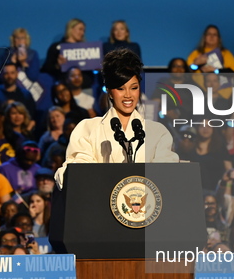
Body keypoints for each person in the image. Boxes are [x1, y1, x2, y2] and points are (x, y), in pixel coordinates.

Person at [55, 48, 179, 189]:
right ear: (109, 91)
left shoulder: (158, 132)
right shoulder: (88, 129)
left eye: (134, 88)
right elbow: (78, 170)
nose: (128, 95)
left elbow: (168, 174)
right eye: (120, 89)